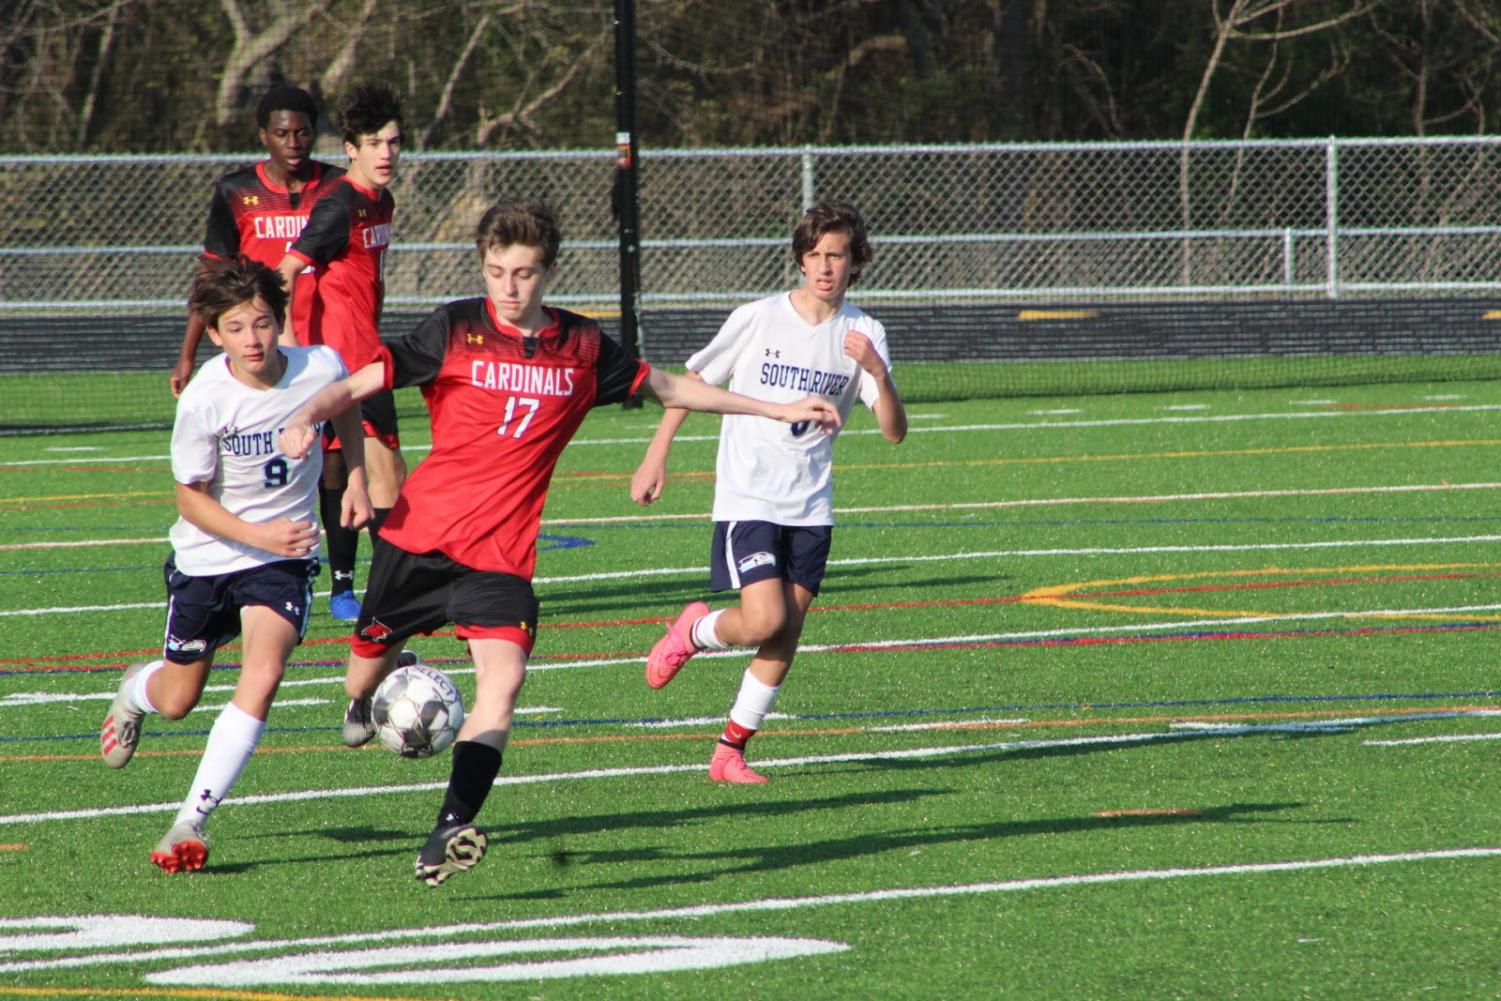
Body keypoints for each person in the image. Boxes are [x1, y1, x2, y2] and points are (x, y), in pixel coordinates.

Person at [277, 197, 841, 886]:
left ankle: (449, 826)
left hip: (501, 558)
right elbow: (363, 380)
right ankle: (369, 690)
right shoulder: (454, 327)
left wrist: (776, 406)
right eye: (495, 272)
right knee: (360, 690)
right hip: (417, 542)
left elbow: (671, 386)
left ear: (549, 272)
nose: (508, 289)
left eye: (523, 274)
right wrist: (306, 415)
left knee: (503, 682)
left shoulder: (581, 346)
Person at [101, 258, 372, 873]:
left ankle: (189, 819)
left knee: (265, 670)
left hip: (283, 559)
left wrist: (353, 476)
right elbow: (188, 497)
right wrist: (257, 533)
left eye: (264, 323)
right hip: (207, 557)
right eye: (236, 327)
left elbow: (346, 405)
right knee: (177, 699)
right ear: (215, 334)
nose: (254, 339)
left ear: (281, 321)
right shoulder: (204, 399)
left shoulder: (319, 367)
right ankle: (134, 692)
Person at [630, 200, 908, 784]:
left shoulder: (865, 332)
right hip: (749, 495)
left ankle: (730, 751)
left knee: (787, 631)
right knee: (761, 620)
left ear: (857, 262)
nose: (824, 267)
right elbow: (693, 383)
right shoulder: (758, 317)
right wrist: (658, 454)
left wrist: (879, 374)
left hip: (812, 505)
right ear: (800, 260)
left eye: (836, 255)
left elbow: (893, 432)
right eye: (813, 255)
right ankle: (695, 631)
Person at [275, 83, 410, 623]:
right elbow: (284, 271)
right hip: (347, 364)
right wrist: (289, 348)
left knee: (350, 475)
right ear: (350, 148)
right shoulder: (338, 207)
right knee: (386, 476)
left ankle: (360, 590)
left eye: (394, 142)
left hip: (362, 355)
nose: (386, 153)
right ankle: (394, 592)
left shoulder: (384, 200)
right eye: (373, 143)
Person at [169, 85, 344, 397]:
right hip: (265, 344)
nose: (293, 143)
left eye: (302, 133)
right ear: (264, 136)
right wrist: (187, 356)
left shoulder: (339, 187)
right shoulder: (235, 191)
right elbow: (211, 275)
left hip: (330, 340)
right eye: (282, 133)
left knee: (336, 443)